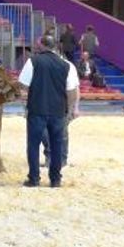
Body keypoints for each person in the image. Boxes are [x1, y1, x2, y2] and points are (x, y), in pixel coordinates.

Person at [19, 35, 80, 188]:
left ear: (41, 45)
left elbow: (23, 85)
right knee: (57, 145)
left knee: (33, 145)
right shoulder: (67, 65)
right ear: (55, 46)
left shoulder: (33, 61)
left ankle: (34, 178)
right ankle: (55, 179)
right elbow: (72, 91)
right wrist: (69, 109)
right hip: (58, 111)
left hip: (37, 109)